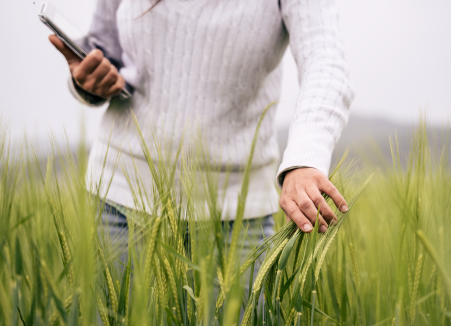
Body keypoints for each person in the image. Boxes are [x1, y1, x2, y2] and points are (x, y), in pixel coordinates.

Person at [49, 0, 354, 249]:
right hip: (117, 202)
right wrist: (91, 81)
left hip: (237, 217)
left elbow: (324, 59)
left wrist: (304, 157)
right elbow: (105, 48)